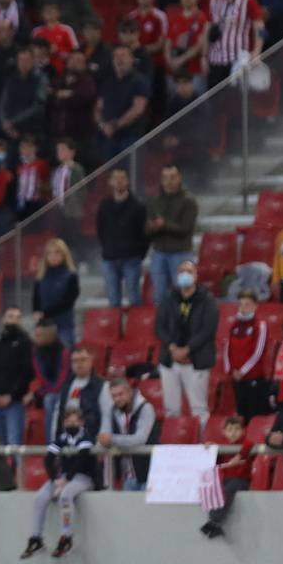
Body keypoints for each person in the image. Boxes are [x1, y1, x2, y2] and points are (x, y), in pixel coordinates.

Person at [23, 404, 98, 560]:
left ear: (81, 422)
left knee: (65, 496)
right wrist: (55, 479)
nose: (72, 425)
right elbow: (49, 459)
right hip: (63, 477)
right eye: (68, 422)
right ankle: (36, 537)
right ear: (64, 423)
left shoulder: (86, 438)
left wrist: (65, 480)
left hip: (83, 477)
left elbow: (82, 460)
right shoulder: (62, 439)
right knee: (39, 498)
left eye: (75, 421)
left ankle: (66, 537)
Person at [155, 258, 218, 426]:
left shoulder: (207, 300)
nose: (185, 275)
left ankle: (201, 445)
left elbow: (208, 329)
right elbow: (159, 326)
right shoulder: (169, 298)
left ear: (196, 275)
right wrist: (172, 347)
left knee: (198, 408)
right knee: (171, 409)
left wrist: (187, 350)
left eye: (189, 271)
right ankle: (173, 445)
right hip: (170, 360)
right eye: (181, 271)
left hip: (196, 360)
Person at [145, 165, 198, 304]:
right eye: (165, 178)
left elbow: (186, 228)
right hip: (159, 253)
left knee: (184, 293)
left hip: (181, 254)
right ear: (161, 180)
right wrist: (152, 227)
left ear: (179, 178)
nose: (169, 181)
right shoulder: (155, 201)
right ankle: (163, 324)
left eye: (172, 177)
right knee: (159, 296)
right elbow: (148, 229)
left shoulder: (189, 201)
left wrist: (164, 225)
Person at [0, 308, 34, 445]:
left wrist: (11, 396)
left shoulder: (26, 344)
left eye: (18, 317)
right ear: (3, 319)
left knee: (14, 443)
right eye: (11, 316)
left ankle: (17, 467)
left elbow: (27, 373)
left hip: (14, 403)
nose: (14, 320)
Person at [96, 169, 147, 308]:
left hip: (132, 258)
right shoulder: (104, 205)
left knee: (134, 296)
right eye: (115, 178)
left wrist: (139, 253)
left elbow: (145, 233)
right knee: (113, 299)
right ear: (110, 181)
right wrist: (107, 248)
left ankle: (135, 328)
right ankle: (116, 329)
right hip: (110, 258)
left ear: (128, 181)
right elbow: (100, 229)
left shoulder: (138, 206)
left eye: (122, 178)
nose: (119, 181)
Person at [99, 375, 159, 491]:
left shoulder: (146, 408)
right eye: (114, 396)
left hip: (149, 473)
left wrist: (112, 439)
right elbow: (104, 433)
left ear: (130, 392)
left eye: (120, 394)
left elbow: (140, 439)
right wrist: (104, 438)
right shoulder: (112, 410)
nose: (117, 399)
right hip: (128, 475)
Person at [200, 415, 255, 538]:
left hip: (241, 480)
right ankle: (214, 521)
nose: (233, 433)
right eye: (230, 430)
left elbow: (250, 443)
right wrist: (211, 446)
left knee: (227, 490)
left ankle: (215, 520)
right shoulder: (222, 446)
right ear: (224, 432)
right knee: (217, 490)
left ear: (243, 431)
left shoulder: (244, 444)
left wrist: (239, 456)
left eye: (236, 429)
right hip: (226, 479)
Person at [224, 291, 274, 417]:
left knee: (255, 417)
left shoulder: (260, 325)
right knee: (241, 416)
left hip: (254, 380)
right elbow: (227, 349)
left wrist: (242, 371)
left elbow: (258, 352)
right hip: (237, 380)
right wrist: (230, 370)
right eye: (241, 304)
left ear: (255, 306)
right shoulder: (234, 325)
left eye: (247, 304)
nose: (243, 307)